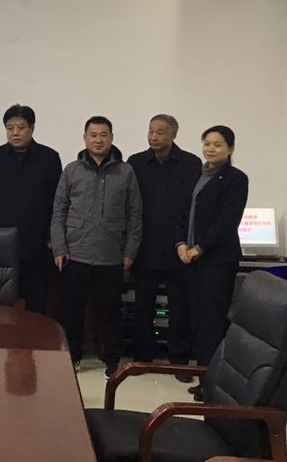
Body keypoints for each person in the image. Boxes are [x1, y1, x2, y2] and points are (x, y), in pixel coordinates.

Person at [50, 116, 142, 377]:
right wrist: (59, 248)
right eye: (93, 135)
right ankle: (72, 357)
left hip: (111, 254)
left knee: (110, 311)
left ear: (111, 138)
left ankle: (111, 359)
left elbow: (135, 214)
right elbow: (59, 211)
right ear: (85, 138)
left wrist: (130, 251)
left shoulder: (126, 172)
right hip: (75, 253)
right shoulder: (71, 170)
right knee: (72, 310)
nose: (98, 140)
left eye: (103, 135)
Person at [177, 125, 248, 401]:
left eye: (217, 144)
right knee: (196, 319)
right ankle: (203, 378)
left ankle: (212, 384)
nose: (211, 148)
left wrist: (200, 248)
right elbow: (182, 213)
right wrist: (181, 244)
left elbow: (227, 221)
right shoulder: (196, 174)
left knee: (213, 322)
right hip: (191, 259)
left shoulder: (235, 178)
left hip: (217, 260)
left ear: (230, 149)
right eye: (207, 143)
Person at [127, 114, 201, 378]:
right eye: (151, 131)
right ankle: (142, 357)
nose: (154, 137)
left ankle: (179, 360)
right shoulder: (136, 162)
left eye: (160, 132)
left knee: (180, 307)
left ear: (173, 135)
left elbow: (193, 207)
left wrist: (188, 242)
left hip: (179, 247)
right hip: (145, 246)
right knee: (142, 305)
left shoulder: (191, 163)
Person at [0, 104, 61, 314]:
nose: (15, 133)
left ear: (32, 128)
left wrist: (52, 238)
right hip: (0, 242)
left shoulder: (49, 157)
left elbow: (57, 202)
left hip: (36, 241)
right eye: (10, 128)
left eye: (21, 127)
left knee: (36, 299)